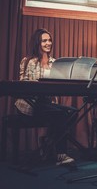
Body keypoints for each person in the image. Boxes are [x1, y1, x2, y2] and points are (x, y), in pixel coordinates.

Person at [14, 28, 76, 166]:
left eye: (49, 40)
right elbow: (23, 85)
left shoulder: (55, 63)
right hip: (29, 103)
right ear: (37, 42)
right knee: (61, 115)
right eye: (44, 40)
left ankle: (47, 142)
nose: (48, 43)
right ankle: (60, 154)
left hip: (48, 103)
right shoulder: (28, 61)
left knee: (72, 112)